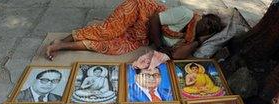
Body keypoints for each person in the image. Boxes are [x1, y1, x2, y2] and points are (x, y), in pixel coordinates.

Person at [45, 0, 223, 60]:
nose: (208, 27)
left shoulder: (189, 40)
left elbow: (176, 56)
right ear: (204, 17)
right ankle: (65, 40)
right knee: (108, 31)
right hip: (139, 11)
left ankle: (60, 46)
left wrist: (199, 41)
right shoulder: (186, 14)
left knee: (114, 47)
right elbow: (155, 19)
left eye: (211, 29)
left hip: (142, 33)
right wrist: (160, 46)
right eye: (209, 22)